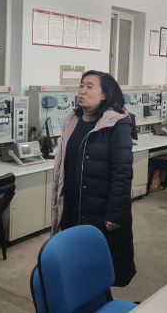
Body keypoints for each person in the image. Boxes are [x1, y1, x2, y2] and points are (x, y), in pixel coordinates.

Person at [51, 70, 136, 287]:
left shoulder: (117, 124)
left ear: (104, 95)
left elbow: (122, 172)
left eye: (90, 87)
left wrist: (115, 213)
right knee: (74, 261)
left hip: (99, 209)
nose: (82, 91)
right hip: (72, 205)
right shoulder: (72, 120)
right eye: (81, 85)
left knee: (97, 267)